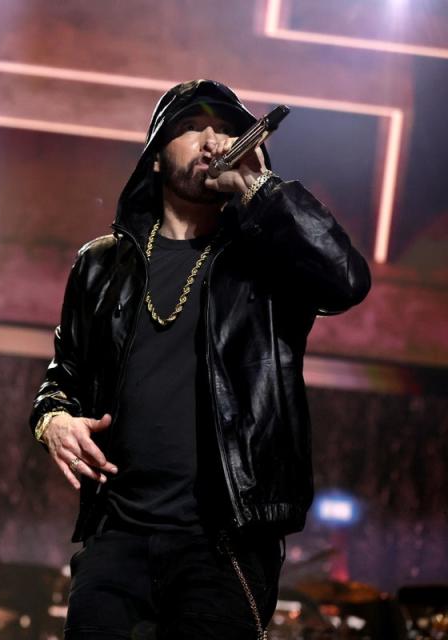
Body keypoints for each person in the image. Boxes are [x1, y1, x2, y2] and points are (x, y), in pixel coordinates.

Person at [29, 79, 371, 639]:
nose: (212, 139)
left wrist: (260, 186)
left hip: (223, 544)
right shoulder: (99, 264)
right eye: (191, 128)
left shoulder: (269, 258)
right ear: (157, 157)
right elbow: (59, 379)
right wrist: (54, 421)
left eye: (226, 128)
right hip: (116, 538)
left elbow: (348, 281)